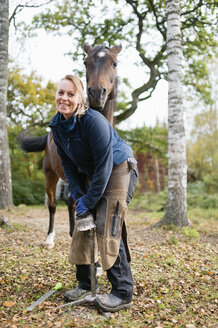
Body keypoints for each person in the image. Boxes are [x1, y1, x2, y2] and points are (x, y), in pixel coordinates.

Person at [49, 75, 138, 312]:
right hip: (95, 171)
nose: (64, 98)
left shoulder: (93, 122)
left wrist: (89, 200)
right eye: (61, 93)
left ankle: (122, 291)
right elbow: (68, 165)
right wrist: (79, 198)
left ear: (80, 99)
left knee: (106, 221)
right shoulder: (57, 126)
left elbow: (104, 166)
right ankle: (86, 283)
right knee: (82, 220)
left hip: (119, 167)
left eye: (70, 94)